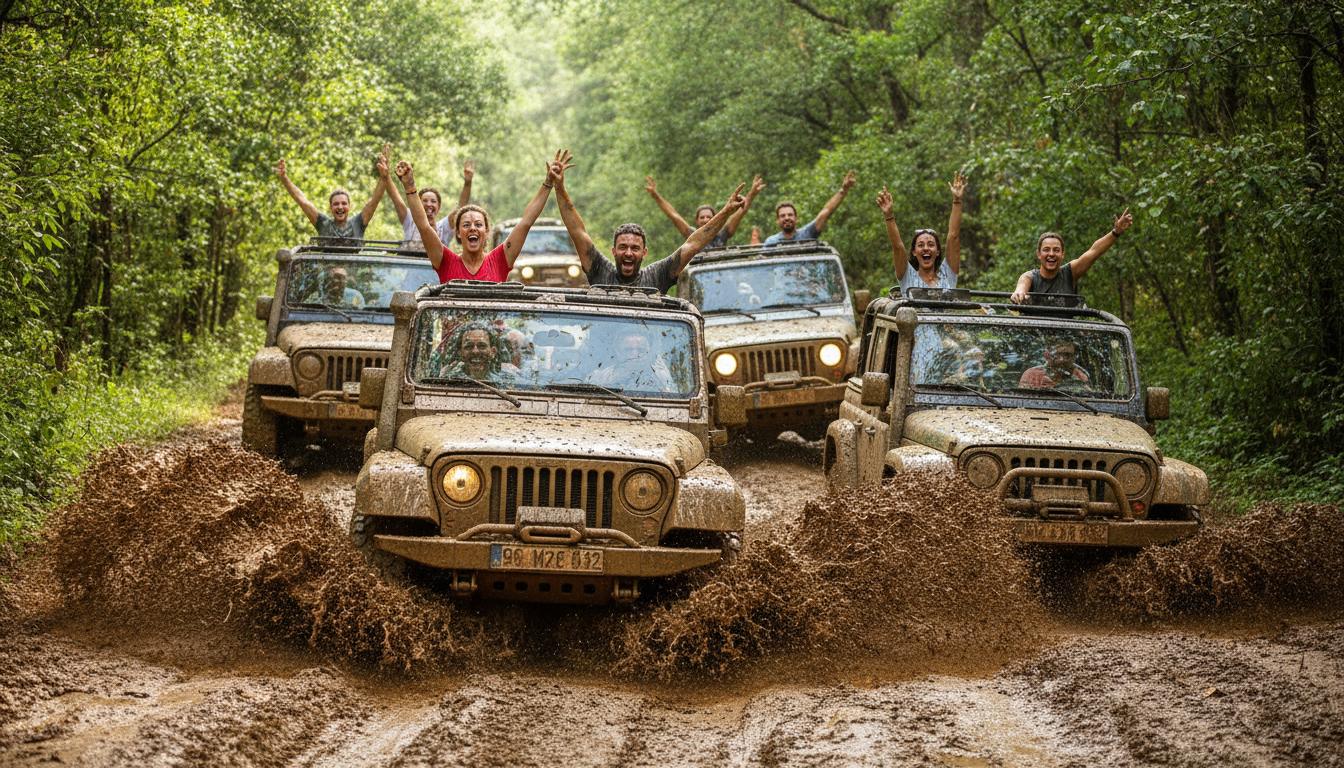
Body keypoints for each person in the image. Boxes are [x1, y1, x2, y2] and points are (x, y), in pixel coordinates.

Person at [551, 151, 746, 293]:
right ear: (613, 251)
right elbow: (577, 231)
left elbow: (693, 244)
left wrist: (726, 211)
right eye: (623, 247)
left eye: (635, 248)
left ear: (644, 253)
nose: (628, 253)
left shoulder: (656, 276)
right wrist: (559, 188)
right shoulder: (599, 270)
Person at [395, 151, 559, 283]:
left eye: (478, 224)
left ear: (487, 231)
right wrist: (410, 186)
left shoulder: (500, 260)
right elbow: (423, 226)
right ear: (458, 232)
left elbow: (526, 222)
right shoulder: (445, 260)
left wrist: (548, 183)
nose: (472, 227)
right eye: (466, 225)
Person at [1010, 209, 1134, 303]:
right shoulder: (1030, 277)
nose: (1051, 254)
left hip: (1066, 335)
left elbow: (1094, 252)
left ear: (1062, 254)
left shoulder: (1070, 273)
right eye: (1046, 250)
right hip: (1034, 336)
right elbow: (1022, 284)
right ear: (1039, 254)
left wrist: (1116, 232)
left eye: (1056, 250)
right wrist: (1019, 293)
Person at [877, 171, 966, 293]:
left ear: (938, 251)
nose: (925, 248)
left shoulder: (947, 274)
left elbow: (953, 236)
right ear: (914, 252)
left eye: (930, 244)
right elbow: (897, 247)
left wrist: (957, 201)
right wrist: (889, 215)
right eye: (920, 245)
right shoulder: (907, 276)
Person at [379, 145, 473, 251]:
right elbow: (396, 198)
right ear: (417, 204)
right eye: (424, 201)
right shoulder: (410, 220)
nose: (429, 204)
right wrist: (385, 175)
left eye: (433, 201)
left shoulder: (444, 227)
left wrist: (467, 183)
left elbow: (461, 207)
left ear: (439, 206)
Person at [275, 155, 385, 241]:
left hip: (354, 269)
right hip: (327, 269)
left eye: (344, 203)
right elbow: (303, 201)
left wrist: (384, 177)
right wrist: (284, 178)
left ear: (349, 207)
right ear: (330, 207)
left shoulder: (358, 223)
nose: (340, 207)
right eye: (336, 204)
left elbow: (374, 201)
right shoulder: (323, 224)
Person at [645, 175, 765, 249]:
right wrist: (656, 195)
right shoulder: (692, 235)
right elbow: (674, 215)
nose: (706, 219)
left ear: (716, 218)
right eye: (702, 217)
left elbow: (741, 212)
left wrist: (752, 193)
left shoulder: (723, 234)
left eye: (709, 216)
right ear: (697, 221)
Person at [764, 170, 856, 245]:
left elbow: (826, 212)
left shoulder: (807, 234)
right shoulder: (771, 242)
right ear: (777, 220)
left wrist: (843, 190)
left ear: (796, 218)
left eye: (790, 215)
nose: (787, 218)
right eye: (783, 216)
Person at [426, 321, 519, 383]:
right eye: (469, 346)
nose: (475, 351)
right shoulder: (448, 380)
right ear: (460, 353)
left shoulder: (508, 379)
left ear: (493, 352)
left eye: (482, 346)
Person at [590, 331, 673, 391]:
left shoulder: (660, 376)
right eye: (628, 349)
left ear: (648, 352)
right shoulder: (603, 376)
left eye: (640, 349)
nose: (635, 354)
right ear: (618, 351)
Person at [1019, 338, 1090, 388]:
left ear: (1074, 357)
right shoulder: (1031, 375)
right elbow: (1022, 402)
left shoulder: (1080, 377)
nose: (1062, 359)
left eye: (1067, 355)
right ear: (1047, 355)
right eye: (1057, 354)